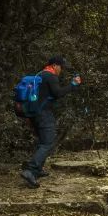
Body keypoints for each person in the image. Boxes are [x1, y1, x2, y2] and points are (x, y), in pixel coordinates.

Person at [20, 56, 82, 188]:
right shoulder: (51, 76)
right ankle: (30, 171)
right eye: (61, 67)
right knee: (48, 143)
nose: (61, 70)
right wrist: (73, 85)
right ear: (55, 65)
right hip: (44, 114)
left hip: (34, 114)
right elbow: (58, 93)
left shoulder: (40, 74)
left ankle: (38, 169)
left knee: (43, 141)